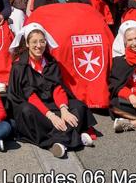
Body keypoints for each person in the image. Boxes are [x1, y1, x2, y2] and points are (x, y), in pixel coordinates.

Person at [6, 23, 94, 158]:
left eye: (42, 41)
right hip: (34, 107)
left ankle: (59, 142)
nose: (39, 45)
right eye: (34, 42)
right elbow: (30, 96)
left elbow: (57, 88)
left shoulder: (51, 62)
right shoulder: (20, 66)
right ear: (27, 44)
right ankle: (75, 137)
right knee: (26, 111)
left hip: (53, 102)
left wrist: (63, 110)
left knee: (79, 106)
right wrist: (51, 116)